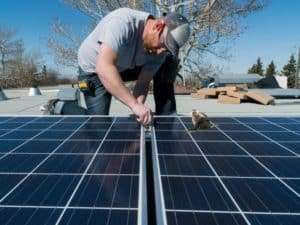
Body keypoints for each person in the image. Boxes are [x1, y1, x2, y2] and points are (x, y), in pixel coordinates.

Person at [78, 7, 190, 125]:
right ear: (158, 27)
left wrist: (139, 108)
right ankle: (64, 107)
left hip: (125, 66)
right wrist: (134, 104)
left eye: (166, 49)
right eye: (163, 44)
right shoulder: (122, 22)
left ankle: (167, 121)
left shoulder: (160, 51)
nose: (160, 52)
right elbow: (104, 67)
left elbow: (143, 82)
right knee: (98, 125)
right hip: (94, 68)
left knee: (168, 61)